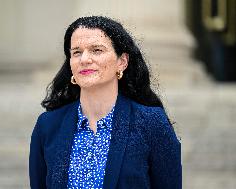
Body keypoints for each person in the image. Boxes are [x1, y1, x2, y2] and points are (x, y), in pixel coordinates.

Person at [29, 16, 182, 189]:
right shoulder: (48, 126)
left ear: (122, 62)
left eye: (96, 50)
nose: (84, 59)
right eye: (76, 52)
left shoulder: (151, 123)